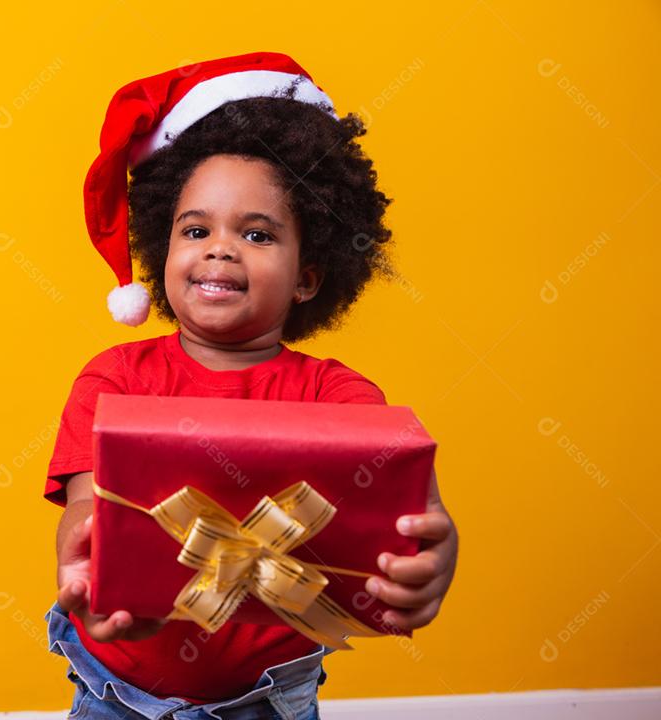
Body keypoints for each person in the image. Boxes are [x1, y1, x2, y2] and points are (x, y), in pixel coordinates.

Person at [43, 52, 458, 719]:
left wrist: (433, 561)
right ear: (162, 248)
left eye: (258, 234)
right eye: (195, 229)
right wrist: (92, 577)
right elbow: (87, 513)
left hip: (270, 702)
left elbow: (414, 513)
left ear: (307, 277)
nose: (219, 248)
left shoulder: (339, 398)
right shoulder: (113, 380)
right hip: (117, 696)